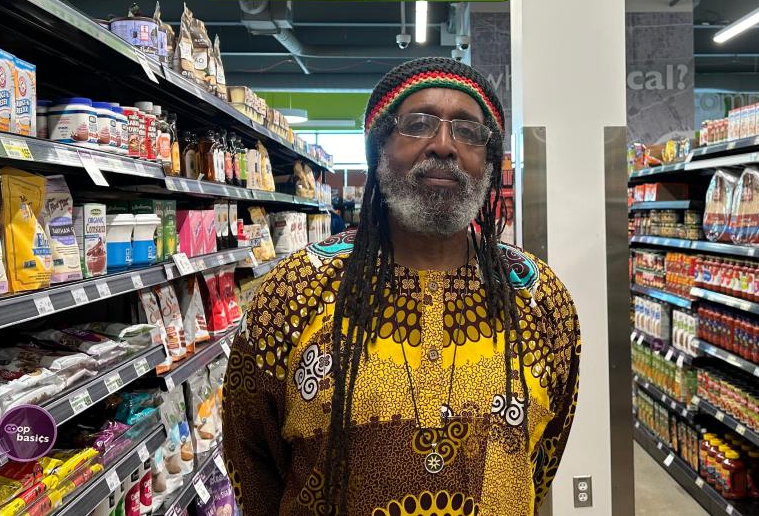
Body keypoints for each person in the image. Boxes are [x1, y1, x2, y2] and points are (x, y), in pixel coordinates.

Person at [222, 58, 580, 516]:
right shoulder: (297, 289)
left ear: (489, 163)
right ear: (378, 147)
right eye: (419, 123)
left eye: (469, 131)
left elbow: (541, 458)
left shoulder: (538, 298)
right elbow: (251, 457)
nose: (445, 145)